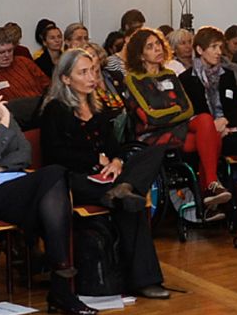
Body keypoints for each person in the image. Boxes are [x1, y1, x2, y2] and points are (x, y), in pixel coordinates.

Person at [0, 54, 96, 315]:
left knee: (53, 189)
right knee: (55, 175)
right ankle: (62, 285)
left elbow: (23, 153)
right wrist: (2, 125)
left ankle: (60, 285)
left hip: (18, 188)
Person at [39, 49, 170, 299]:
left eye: (93, 72)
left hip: (107, 177)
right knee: (131, 204)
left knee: (154, 152)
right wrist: (94, 160)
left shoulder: (96, 108)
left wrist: (118, 161)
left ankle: (124, 187)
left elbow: (114, 148)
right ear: (66, 79)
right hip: (75, 179)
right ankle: (145, 280)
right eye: (83, 73)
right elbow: (54, 154)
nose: (91, 78)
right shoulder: (55, 110)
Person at [120, 28, 234, 214]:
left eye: (158, 44)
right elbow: (150, 117)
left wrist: (168, 113)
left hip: (179, 128)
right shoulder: (134, 79)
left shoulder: (170, 75)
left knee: (205, 119)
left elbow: (188, 109)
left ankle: (211, 185)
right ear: (140, 55)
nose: (157, 49)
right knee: (212, 135)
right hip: (153, 135)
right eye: (150, 46)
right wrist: (174, 110)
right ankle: (210, 189)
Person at [182, 27, 237, 161]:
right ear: (200, 50)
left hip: (229, 129)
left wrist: (226, 122)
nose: (219, 52)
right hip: (205, 132)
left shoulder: (227, 75)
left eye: (220, 47)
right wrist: (214, 127)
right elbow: (192, 114)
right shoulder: (186, 79)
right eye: (214, 47)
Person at [0, 27, 51, 101]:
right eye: (1, 52)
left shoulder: (24, 62)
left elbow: (48, 85)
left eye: (10, 51)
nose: (7, 55)